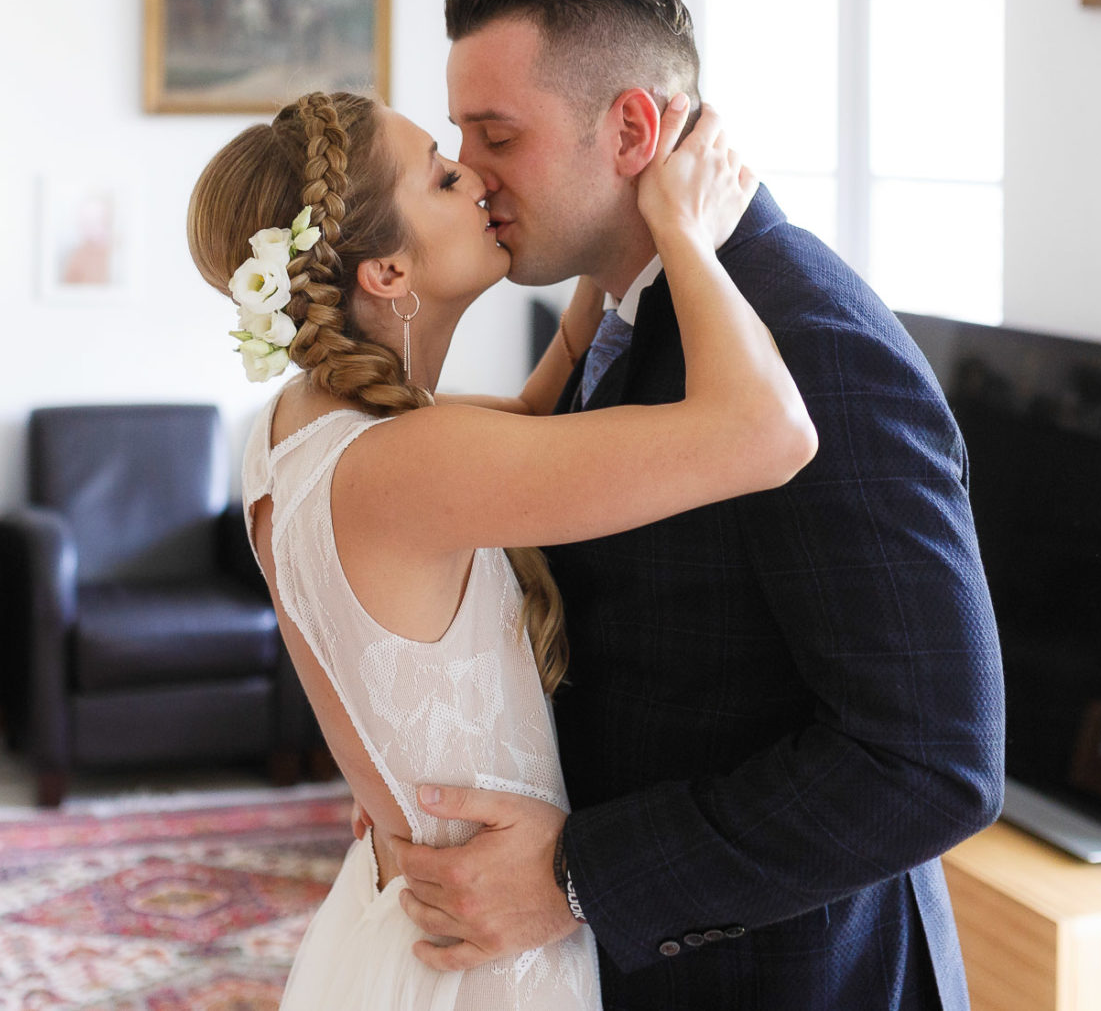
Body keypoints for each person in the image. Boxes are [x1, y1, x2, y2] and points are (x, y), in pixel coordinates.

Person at [388, 0, 1007, 1010]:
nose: (473, 173)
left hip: (788, 980)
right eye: (459, 139)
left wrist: (575, 877)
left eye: (499, 136)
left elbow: (930, 762)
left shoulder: (811, 345)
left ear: (632, 131)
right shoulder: (622, 305)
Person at [187, 86, 816, 1010]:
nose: (476, 177)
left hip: (410, 918)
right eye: (443, 178)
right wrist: (683, 231)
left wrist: (605, 237)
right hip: (487, 952)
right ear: (387, 272)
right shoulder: (411, 465)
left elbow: (528, 414)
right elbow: (768, 433)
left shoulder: (299, 424)